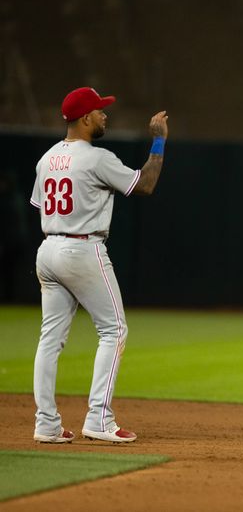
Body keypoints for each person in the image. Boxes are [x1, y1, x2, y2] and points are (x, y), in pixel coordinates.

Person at [30, 87, 169, 444]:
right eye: (100, 111)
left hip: (48, 249)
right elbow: (146, 184)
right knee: (114, 331)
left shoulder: (46, 159)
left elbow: (40, 205)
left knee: (50, 340)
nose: (105, 116)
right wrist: (158, 143)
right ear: (86, 118)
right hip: (82, 249)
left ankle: (46, 424)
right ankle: (99, 419)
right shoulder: (96, 158)